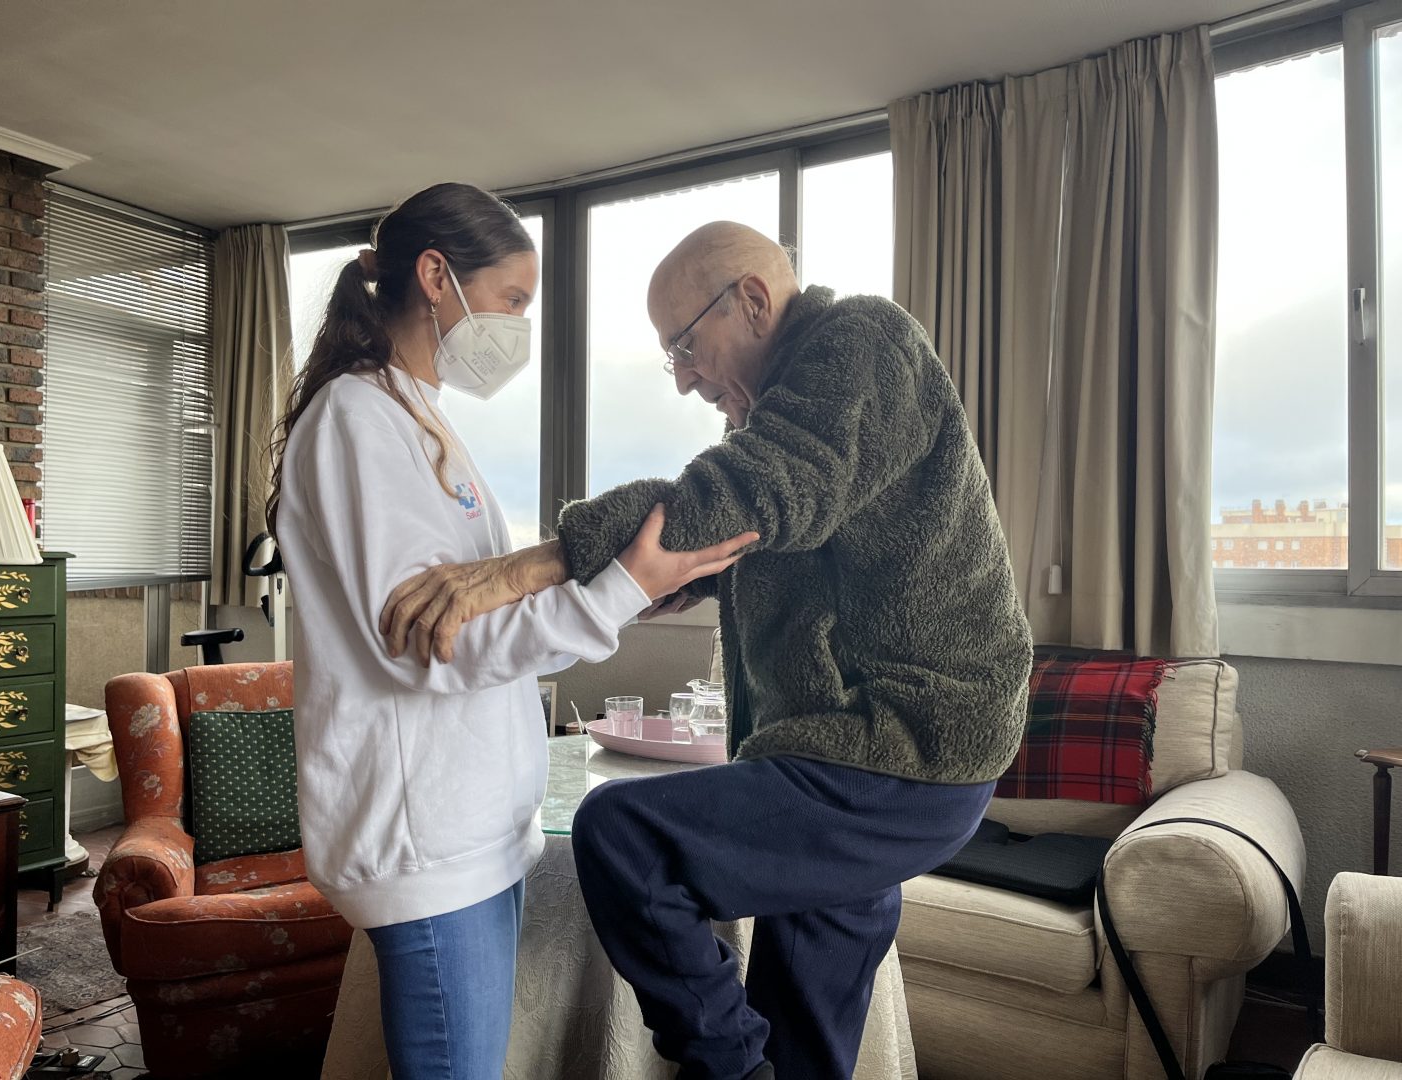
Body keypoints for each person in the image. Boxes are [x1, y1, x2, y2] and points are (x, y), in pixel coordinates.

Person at [379, 221, 1033, 1080]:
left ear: (753, 301)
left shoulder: (863, 342)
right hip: (844, 746)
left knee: (621, 838)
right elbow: (742, 542)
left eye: (686, 348)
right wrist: (643, 583)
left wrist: (516, 569)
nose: (684, 380)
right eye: (672, 360)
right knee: (805, 1042)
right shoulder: (792, 415)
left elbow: (744, 495)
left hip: (903, 744)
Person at [267, 186, 756, 1080]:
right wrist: (614, 589)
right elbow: (432, 641)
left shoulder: (421, 419)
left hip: (475, 831)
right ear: (434, 275)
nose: (520, 327)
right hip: (426, 844)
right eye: (515, 300)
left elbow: (485, 610)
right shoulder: (356, 420)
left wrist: (628, 590)